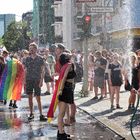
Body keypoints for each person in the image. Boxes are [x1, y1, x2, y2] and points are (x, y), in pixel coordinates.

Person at [24, 42, 47, 121]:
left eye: (33, 49)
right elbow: (25, 70)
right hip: (29, 80)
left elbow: (43, 70)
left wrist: (41, 81)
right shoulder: (27, 59)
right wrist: (24, 81)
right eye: (30, 49)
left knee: (38, 98)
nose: (31, 50)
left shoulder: (41, 59)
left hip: (37, 80)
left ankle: (41, 114)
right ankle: (31, 113)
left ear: (36, 49)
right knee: (30, 97)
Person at [57, 53, 76, 140]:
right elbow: (64, 77)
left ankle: (61, 131)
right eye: (68, 55)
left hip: (66, 88)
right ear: (66, 58)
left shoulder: (65, 66)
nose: (70, 55)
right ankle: (61, 134)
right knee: (61, 113)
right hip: (66, 89)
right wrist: (61, 90)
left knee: (62, 113)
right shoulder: (69, 65)